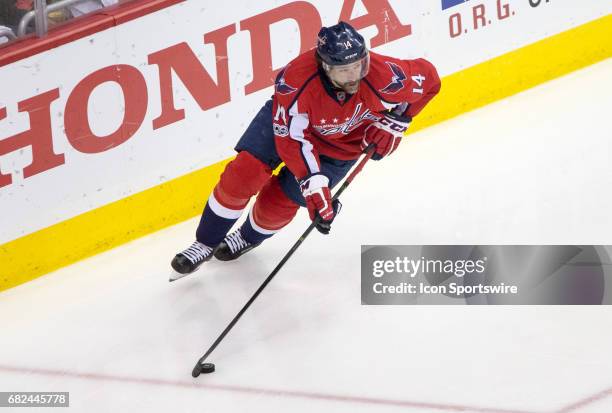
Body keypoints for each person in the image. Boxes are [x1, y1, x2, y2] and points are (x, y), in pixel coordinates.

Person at [170, 21, 441, 280]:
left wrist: (400, 120)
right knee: (245, 172)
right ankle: (204, 243)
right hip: (289, 130)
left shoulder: (387, 76)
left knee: (281, 201)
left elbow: (430, 80)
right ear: (325, 67)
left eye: (358, 65)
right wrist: (313, 182)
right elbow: (293, 141)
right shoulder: (295, 82)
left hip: (342, 145)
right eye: (344, 70)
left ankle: (247, 237)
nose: (354, 75)